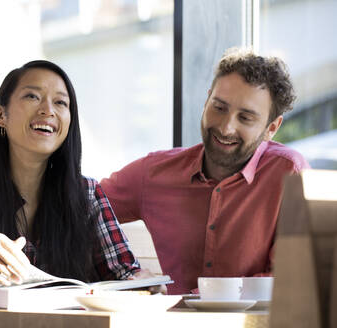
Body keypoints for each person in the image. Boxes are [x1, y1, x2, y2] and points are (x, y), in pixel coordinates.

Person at [0, 60, 146, 301]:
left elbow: (126, 274)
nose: (48, 110)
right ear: (1, 115)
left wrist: (142, 284)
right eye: (33, 96)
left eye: (60, 102)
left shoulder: (88, 195)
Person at [100, 48, 310, 295]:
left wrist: (208, 295)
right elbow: (80, 206)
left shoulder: (291, 175)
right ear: (207, 100)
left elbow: (292, 280)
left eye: (245, 118)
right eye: (219, 107)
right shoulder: (153, 173)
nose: (226, 127)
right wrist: (125, 272)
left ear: (271, 128)